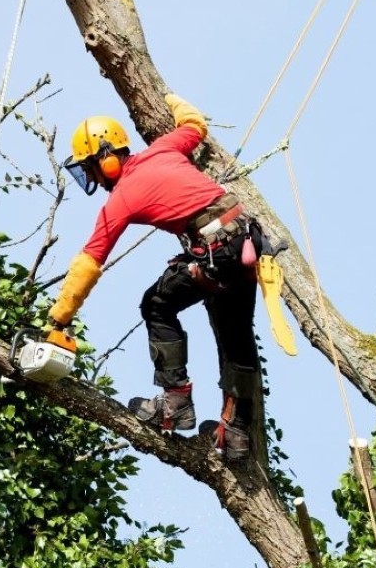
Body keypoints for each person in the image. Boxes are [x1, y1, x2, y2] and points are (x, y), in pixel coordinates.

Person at [47, 94, 266, 462]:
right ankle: (237, 433)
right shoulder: (162, 150)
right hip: (245, 243)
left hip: (218, 249)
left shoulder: (122, 198)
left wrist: (59, 318)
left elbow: (88, 262)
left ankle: (175, 402)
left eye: (92, 169)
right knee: (237, 339)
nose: (97, 181)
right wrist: (171, 99)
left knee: (158, 303)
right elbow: (194, 126)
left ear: (107, 157)